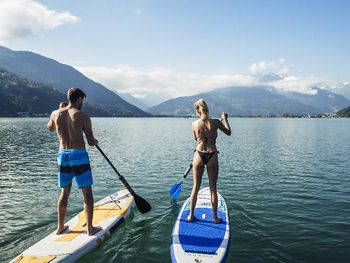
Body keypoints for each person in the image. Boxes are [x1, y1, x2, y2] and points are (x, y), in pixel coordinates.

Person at [47, 87, 101, 236]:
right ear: (79, 99)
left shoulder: (55, 113)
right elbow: (90, 142)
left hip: (62, 155)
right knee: (87, 193)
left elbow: (50, 128)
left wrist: (59, 111)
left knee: (64, 192)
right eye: (82, 100)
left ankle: (60, 227)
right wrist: (95, 140)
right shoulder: (83, 116)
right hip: (78, 156)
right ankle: (90, 228)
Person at [188, 99, 231, 223]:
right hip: (212, 154)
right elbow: (228, 132)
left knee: (195, 187)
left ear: (197, 110)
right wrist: (225, 120)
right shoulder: (216, 122)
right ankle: (215, 218)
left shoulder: (194, 124)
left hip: (199, 154)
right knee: (213, 188)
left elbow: (196, 139)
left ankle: (191, 216)